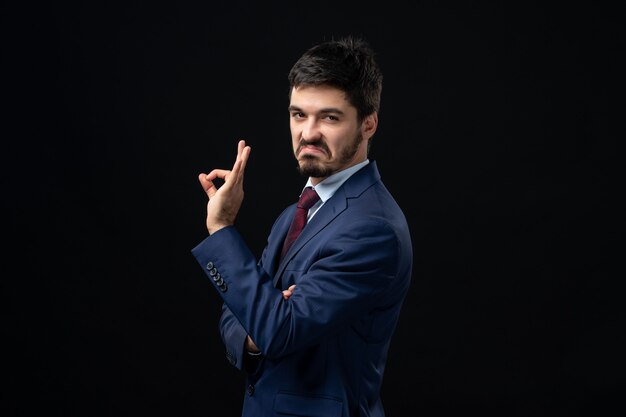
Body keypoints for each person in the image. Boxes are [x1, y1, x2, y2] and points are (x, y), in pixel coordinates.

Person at [192, 36, 413, 417]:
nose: (308, 133)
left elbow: (277, 330)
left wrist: (222, 228)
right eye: (298, 115)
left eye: (329, 117)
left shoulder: (372, 228)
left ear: (369, 123)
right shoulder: (294, 213)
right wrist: (257, 330)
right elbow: (239, 314)